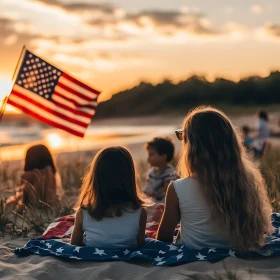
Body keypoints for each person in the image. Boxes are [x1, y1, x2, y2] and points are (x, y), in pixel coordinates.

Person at [156, 106, 273, 250]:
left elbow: (163, 239)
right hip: (238, 249)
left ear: (192, 147)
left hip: (194, 255)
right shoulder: (246, 181)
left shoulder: (177, 188)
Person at [70, 146, 151, 249]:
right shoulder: (140, 213)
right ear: (129, 178)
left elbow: (74, 244)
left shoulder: (84, 212)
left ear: (96, 179)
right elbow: (139, 244)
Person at [6, 144, 63, 210]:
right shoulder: (50, 173)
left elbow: (24, 200)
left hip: (31, 207)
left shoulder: (27, 175)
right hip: (48, 206)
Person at [143, 137, 179, 202]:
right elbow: (146, 190)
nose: (148, 158)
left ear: (163, 157)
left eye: (151, 155)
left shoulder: (171, 176)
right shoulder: (151, 173)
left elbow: (166, 198)